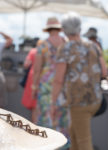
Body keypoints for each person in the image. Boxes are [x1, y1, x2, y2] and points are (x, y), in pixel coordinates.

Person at [51, 12, 107, 150]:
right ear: (79, 28)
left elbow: (58, 80)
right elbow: (104, 72)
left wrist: (53, 103)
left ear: (64, 29)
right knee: (75, 134)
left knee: (84, 142)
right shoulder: (93, 46)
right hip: (95, 100)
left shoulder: (65, 49)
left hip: (78, 101)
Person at [33, 17, 71, 149]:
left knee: (45, 116)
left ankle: (47, 146)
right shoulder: (66, 43)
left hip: (46, 86)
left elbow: (37, 69)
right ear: (59, 28)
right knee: (62, 118)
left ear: (48, 29)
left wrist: (33, 87)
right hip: (63, 85)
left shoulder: (42, 45)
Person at [21, 40, 41, 122]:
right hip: (44, 78)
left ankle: (35, 127)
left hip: (33, 78)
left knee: (34, 106)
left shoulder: (33, 51)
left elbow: (26, 64)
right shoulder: (47, 51)